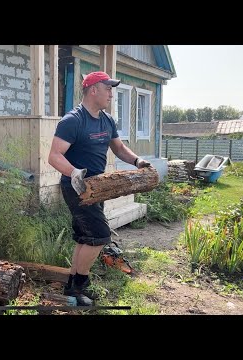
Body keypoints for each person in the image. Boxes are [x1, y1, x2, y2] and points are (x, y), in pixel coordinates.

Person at [48, 71, 151, 306]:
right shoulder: (73, 120)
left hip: (99, 187)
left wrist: (137, 161)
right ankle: (79, 290)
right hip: (78, 186)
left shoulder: (107, 120)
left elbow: (119, 148)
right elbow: (54, 156)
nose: (112, 95)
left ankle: (72, 288)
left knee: (85, 237)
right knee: (99, 236)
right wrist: (74, 173)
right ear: (93, 89)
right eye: (108, 89)